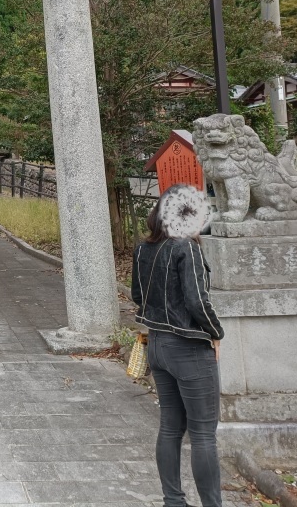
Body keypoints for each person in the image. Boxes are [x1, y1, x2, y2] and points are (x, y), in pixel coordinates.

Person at [132, 184, 224, 507]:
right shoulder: (186, 247)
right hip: (188, 349)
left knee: (170, 427)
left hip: (157, 346)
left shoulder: (143, 250)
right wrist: (216, 333)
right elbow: (198, 301)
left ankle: (173, 501)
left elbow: (137, 297)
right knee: (202, 434)